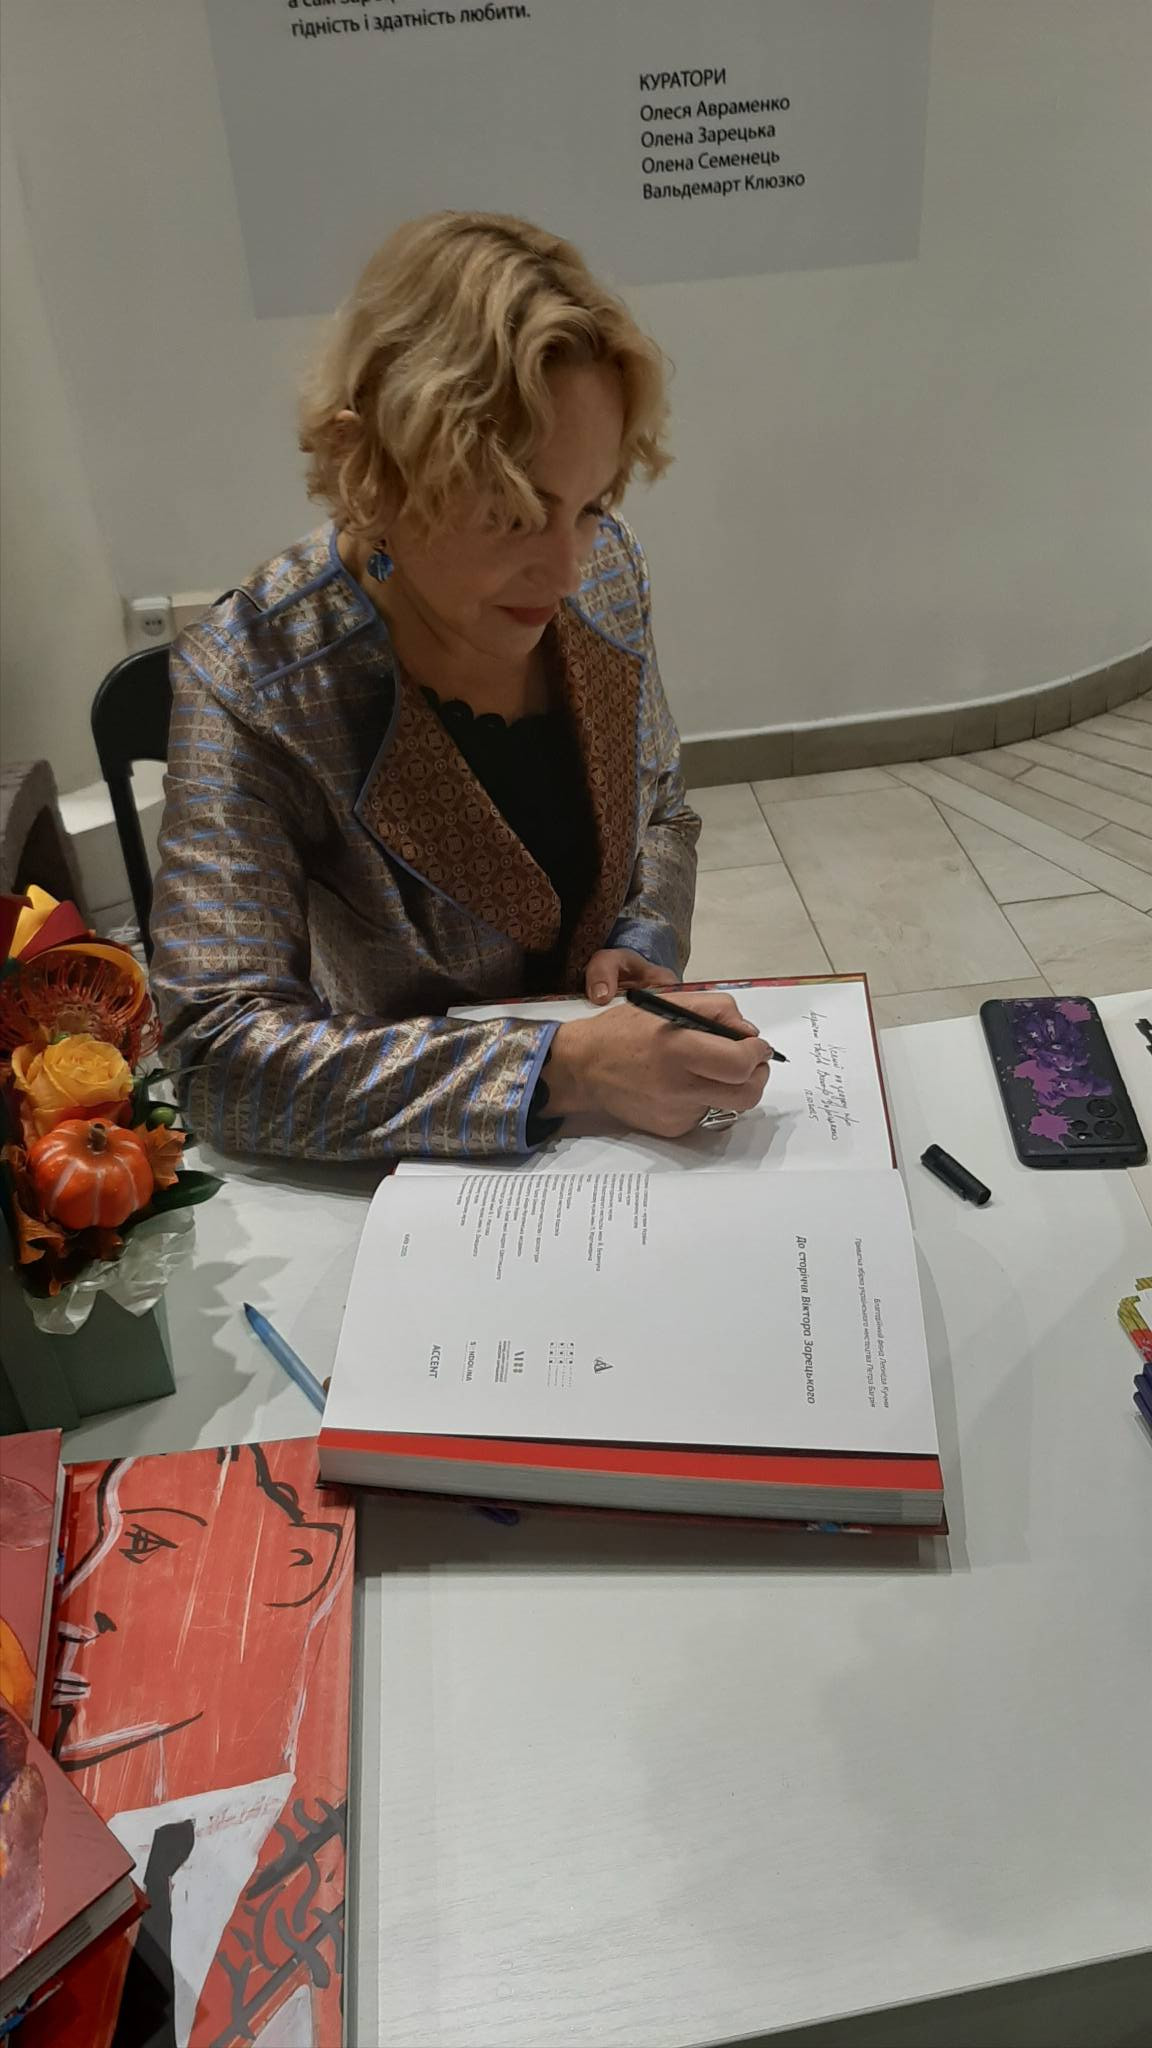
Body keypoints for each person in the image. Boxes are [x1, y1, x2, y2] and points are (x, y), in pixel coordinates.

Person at [152, 212, 772, 1161]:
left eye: (593, 504)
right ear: (371, 469)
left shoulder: (607, 573)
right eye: (513, 512)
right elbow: (217, 1058)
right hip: (409, 1171)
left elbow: (661, 808)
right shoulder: (256, 680)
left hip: (620, 1149)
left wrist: (644, 934)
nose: (565, 570)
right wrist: (562, 1067)